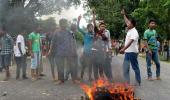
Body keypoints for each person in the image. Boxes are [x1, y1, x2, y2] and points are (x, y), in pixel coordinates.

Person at [48, 18, 79, 84]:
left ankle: (74, 79)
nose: (65, 24)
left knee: (72, 65)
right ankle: (60, 80)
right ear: (60, 24)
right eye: (64, 23)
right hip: (59, 52)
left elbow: (73, 42)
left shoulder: (70, 32)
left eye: (66, 23)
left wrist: (74, 51)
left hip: (69, 52)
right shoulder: (56, 33)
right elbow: (53, 42)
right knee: (60, 66)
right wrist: (50, 51)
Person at [120, 9, 141, 85]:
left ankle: (138, 81)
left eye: (129, 23)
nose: (127, 24)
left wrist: (123, 49)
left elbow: (130, 42)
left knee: (135, 67)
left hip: (132, 52)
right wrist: (123, 14)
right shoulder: (130, 29)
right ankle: (127, 82)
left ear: (132, 24)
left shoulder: (134, 32)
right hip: (127, 52)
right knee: (125, 67)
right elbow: (126, 21)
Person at [92, 10, 113, 81]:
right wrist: (94, 15)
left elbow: (108, 41)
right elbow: (94, 23)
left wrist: (109, 50)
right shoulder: (97, 31)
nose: (103, 27)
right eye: (101, 26)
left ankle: (102, 78)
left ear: (105, 27)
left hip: (102, 51)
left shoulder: (106, 34)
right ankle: (96, 80)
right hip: (95, 51)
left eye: (104, 26)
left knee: (101, 65)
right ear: (99, 27)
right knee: (95, 66)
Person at [77, 15, 94, 81]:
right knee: (83, 65)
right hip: (85, 53)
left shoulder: (94, 34)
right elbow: (78, 28)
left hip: (91, 53)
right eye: (90, 27)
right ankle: (81, 77)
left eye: (92, 27)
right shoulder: (85, 34)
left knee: (90, 66)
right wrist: (78, 20)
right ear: (87, 28)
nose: (91, 28)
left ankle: (90, 77)